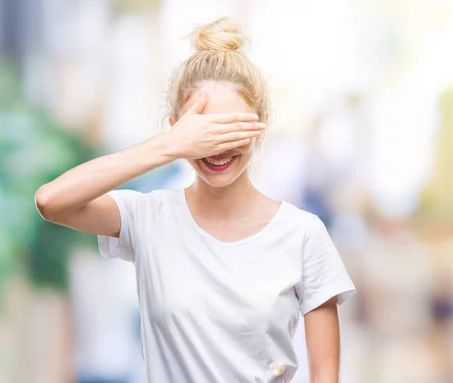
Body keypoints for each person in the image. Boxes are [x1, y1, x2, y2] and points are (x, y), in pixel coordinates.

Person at [35, 17, 355, 383]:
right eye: (203, 130)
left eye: (231, 128)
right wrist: (170, 145)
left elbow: (326, 375)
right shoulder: (148, 217)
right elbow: (51, 201)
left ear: (261, 123)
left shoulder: (302, 234)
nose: (216, 147)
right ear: (178, 127)